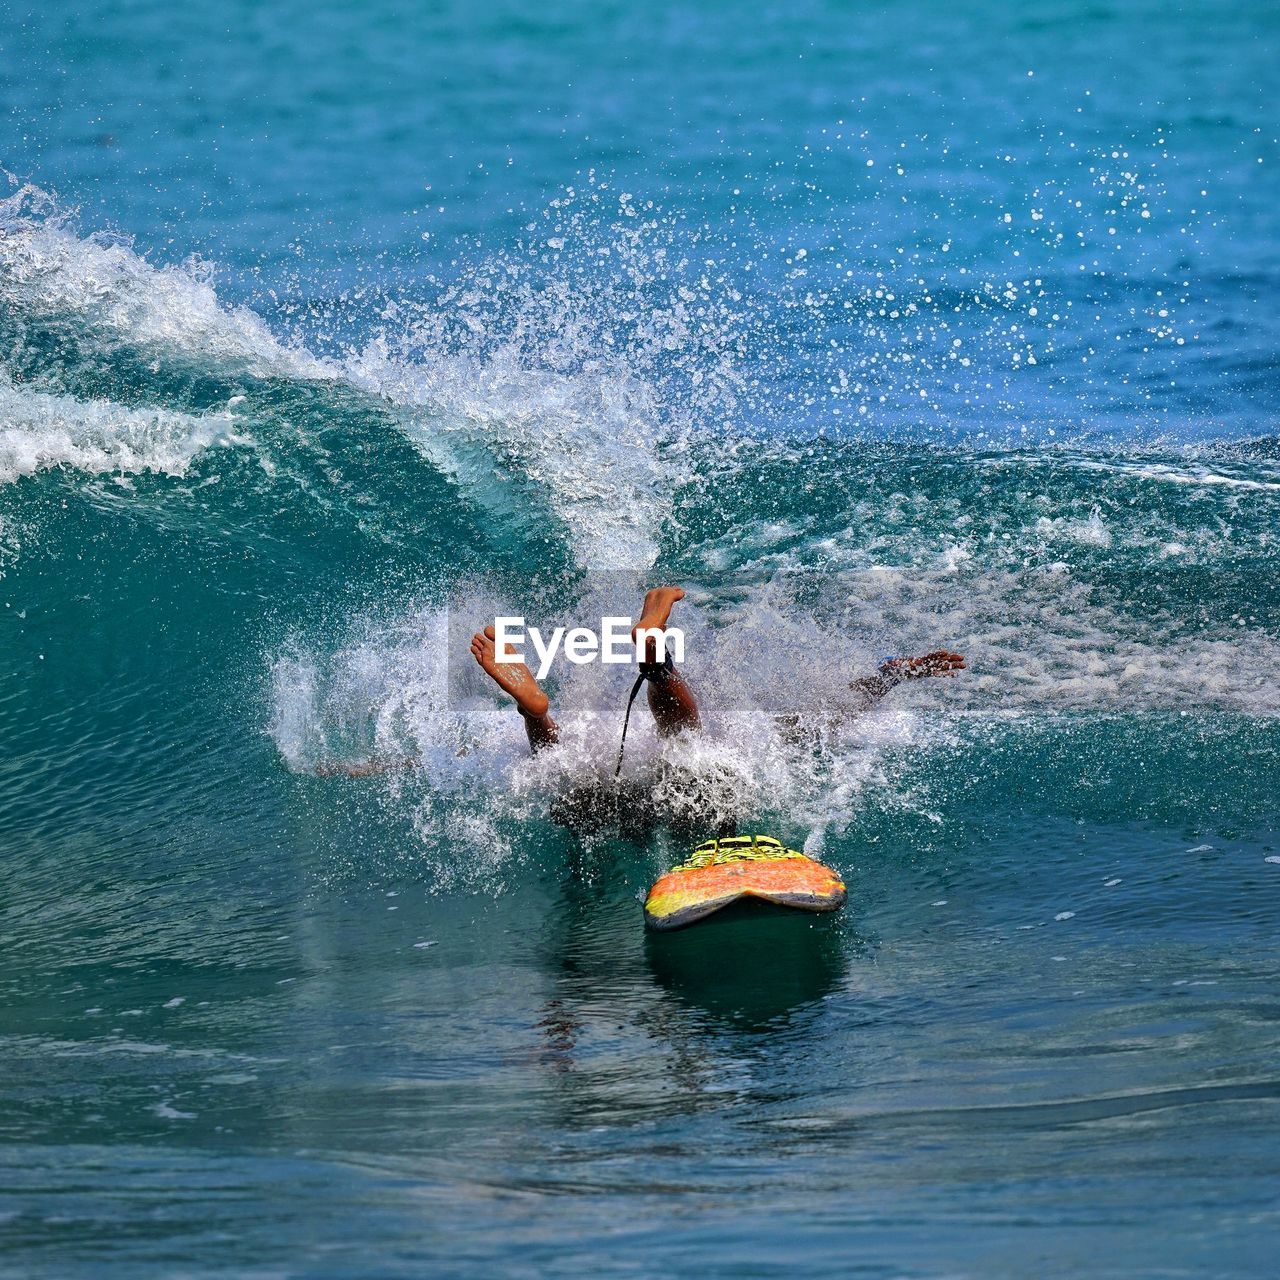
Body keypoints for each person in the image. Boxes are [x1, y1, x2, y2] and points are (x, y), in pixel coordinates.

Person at [469, 585, 965, 836]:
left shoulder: (758, 733)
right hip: (709, 768)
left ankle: (535, 713)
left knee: (574, 795)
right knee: (693, 760)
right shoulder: (760, 737)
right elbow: (837, 712)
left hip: (613, 763)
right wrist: (896, 674)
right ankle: (658, 666)